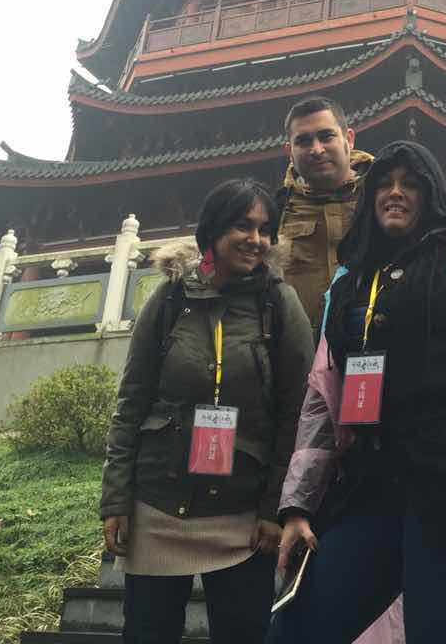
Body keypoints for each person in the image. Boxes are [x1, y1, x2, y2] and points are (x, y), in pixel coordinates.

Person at [268, 140, 446, 644]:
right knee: (296, 628)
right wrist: (298, 505)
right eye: (385, 185)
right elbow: (320, 398)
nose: (396, 194)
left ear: (431, 193)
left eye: (411, 184)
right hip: (367, 487)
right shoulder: (351, 280)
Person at [100, 177, 314, 644]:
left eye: (264, 229)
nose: (255, 240)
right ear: (212, 231)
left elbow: (295, 413)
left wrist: (274, 508)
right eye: (242, 226)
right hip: (158, 501)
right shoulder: (171, 298)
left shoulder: (278, 304)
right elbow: (132, 399)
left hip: (241, 512)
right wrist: (116, 498)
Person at [276, 96, 374, 328]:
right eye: (303, 141)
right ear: (289, 151)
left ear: (348, 138)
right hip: (302, 354)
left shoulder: (383, 196)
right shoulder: (275, 211)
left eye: (326, 136)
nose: (316, 150)